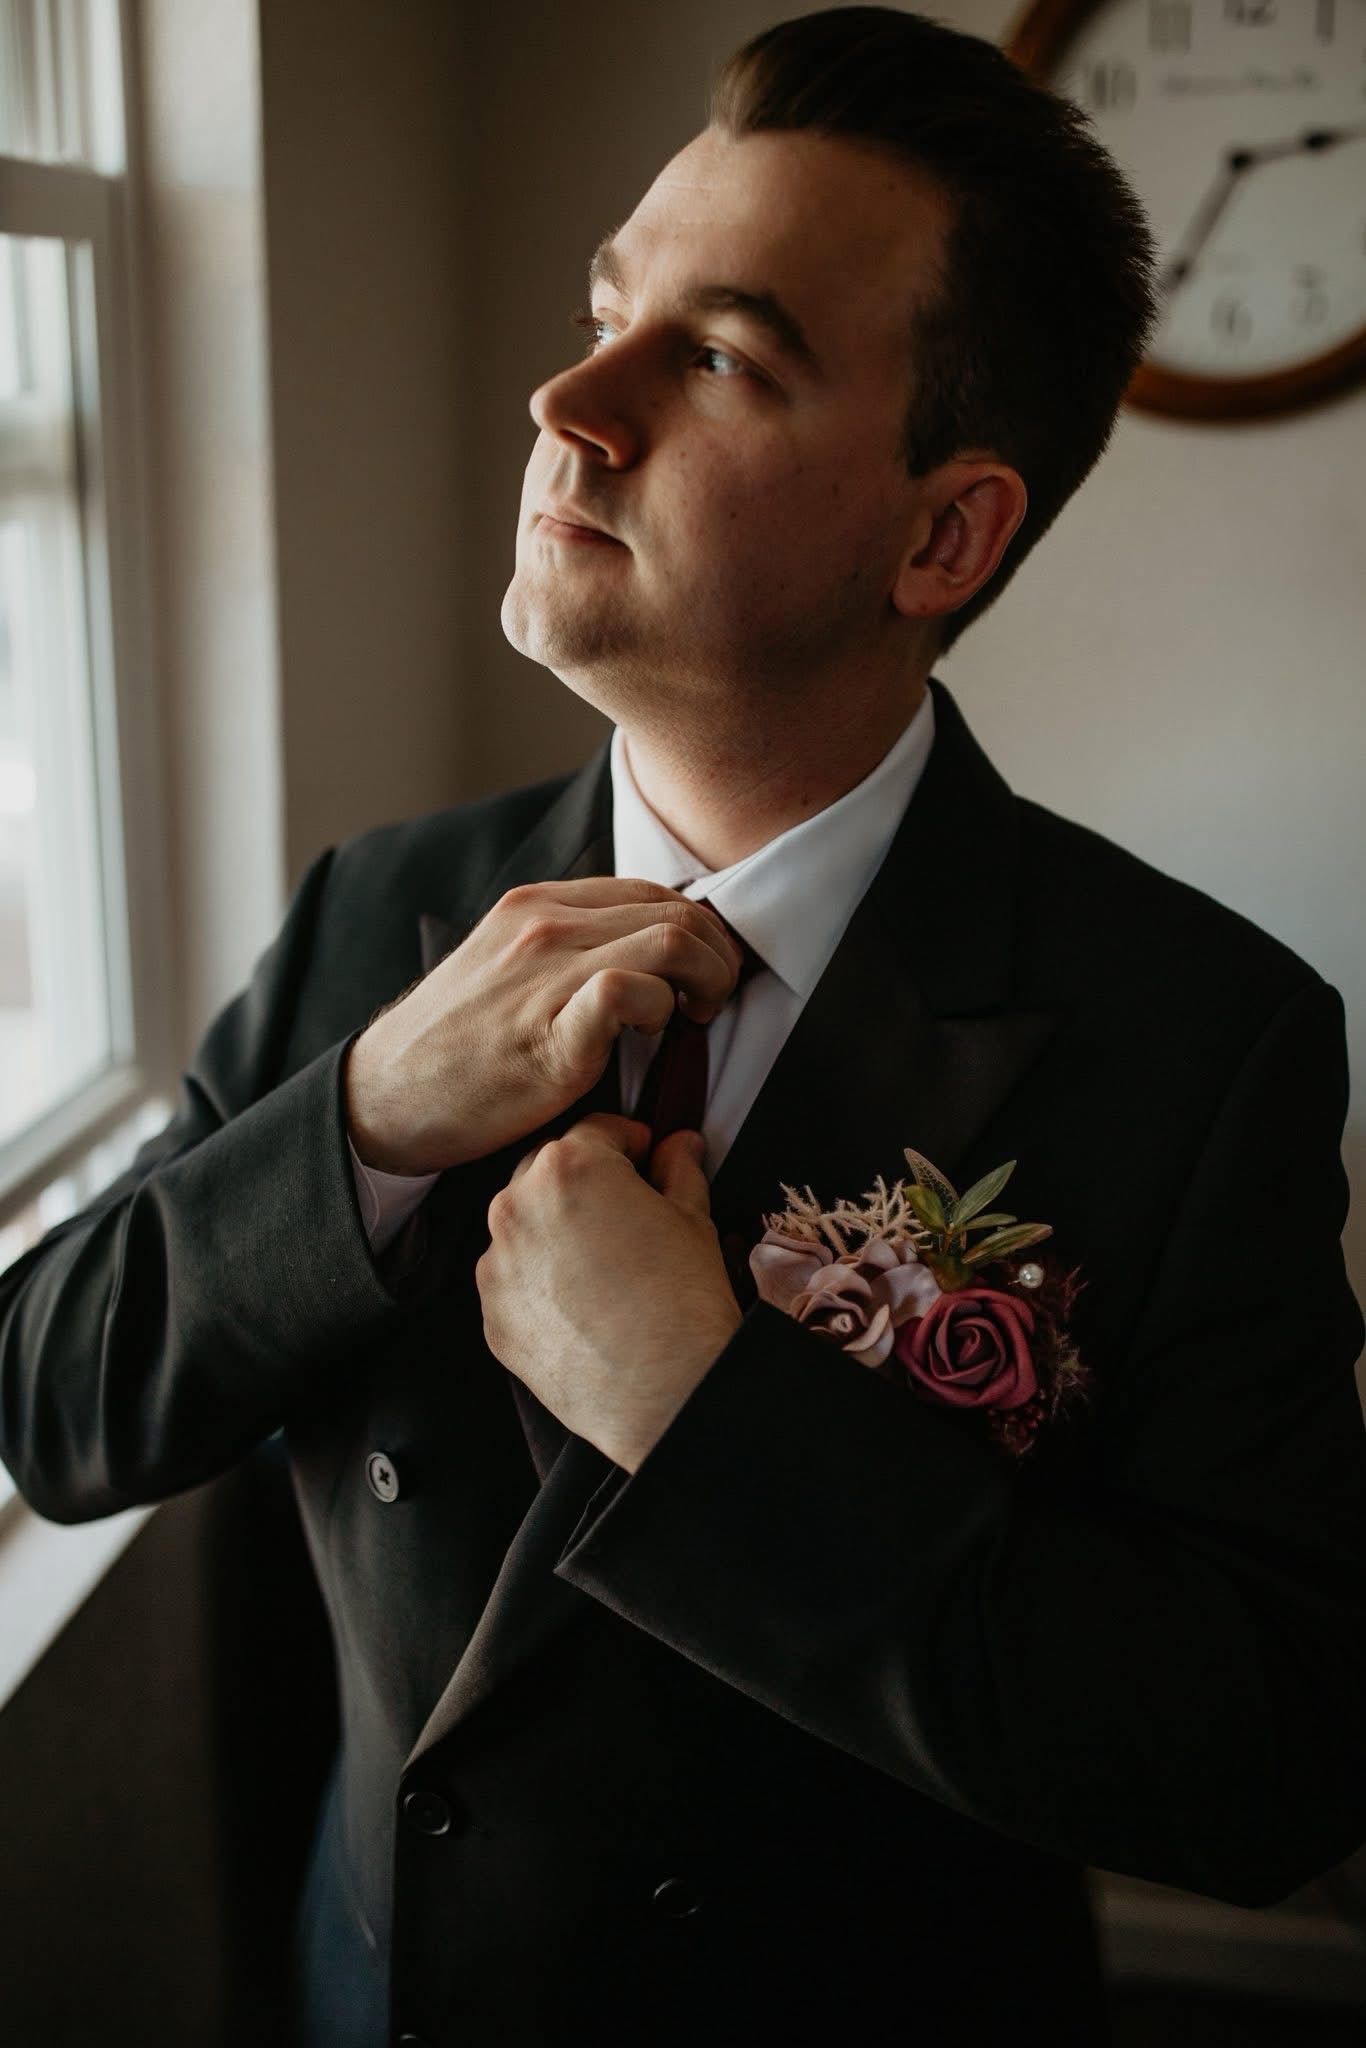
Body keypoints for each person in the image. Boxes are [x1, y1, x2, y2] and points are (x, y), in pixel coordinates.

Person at [3, 8, 1365, 2045]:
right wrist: (366, 1116)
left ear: (941, 534)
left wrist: (710, 1425)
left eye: (715, 356)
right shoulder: (378, 911)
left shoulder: (1198, 1039)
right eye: (601, 309)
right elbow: (50, 1400)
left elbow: (1264, 1764)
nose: (565, 397)